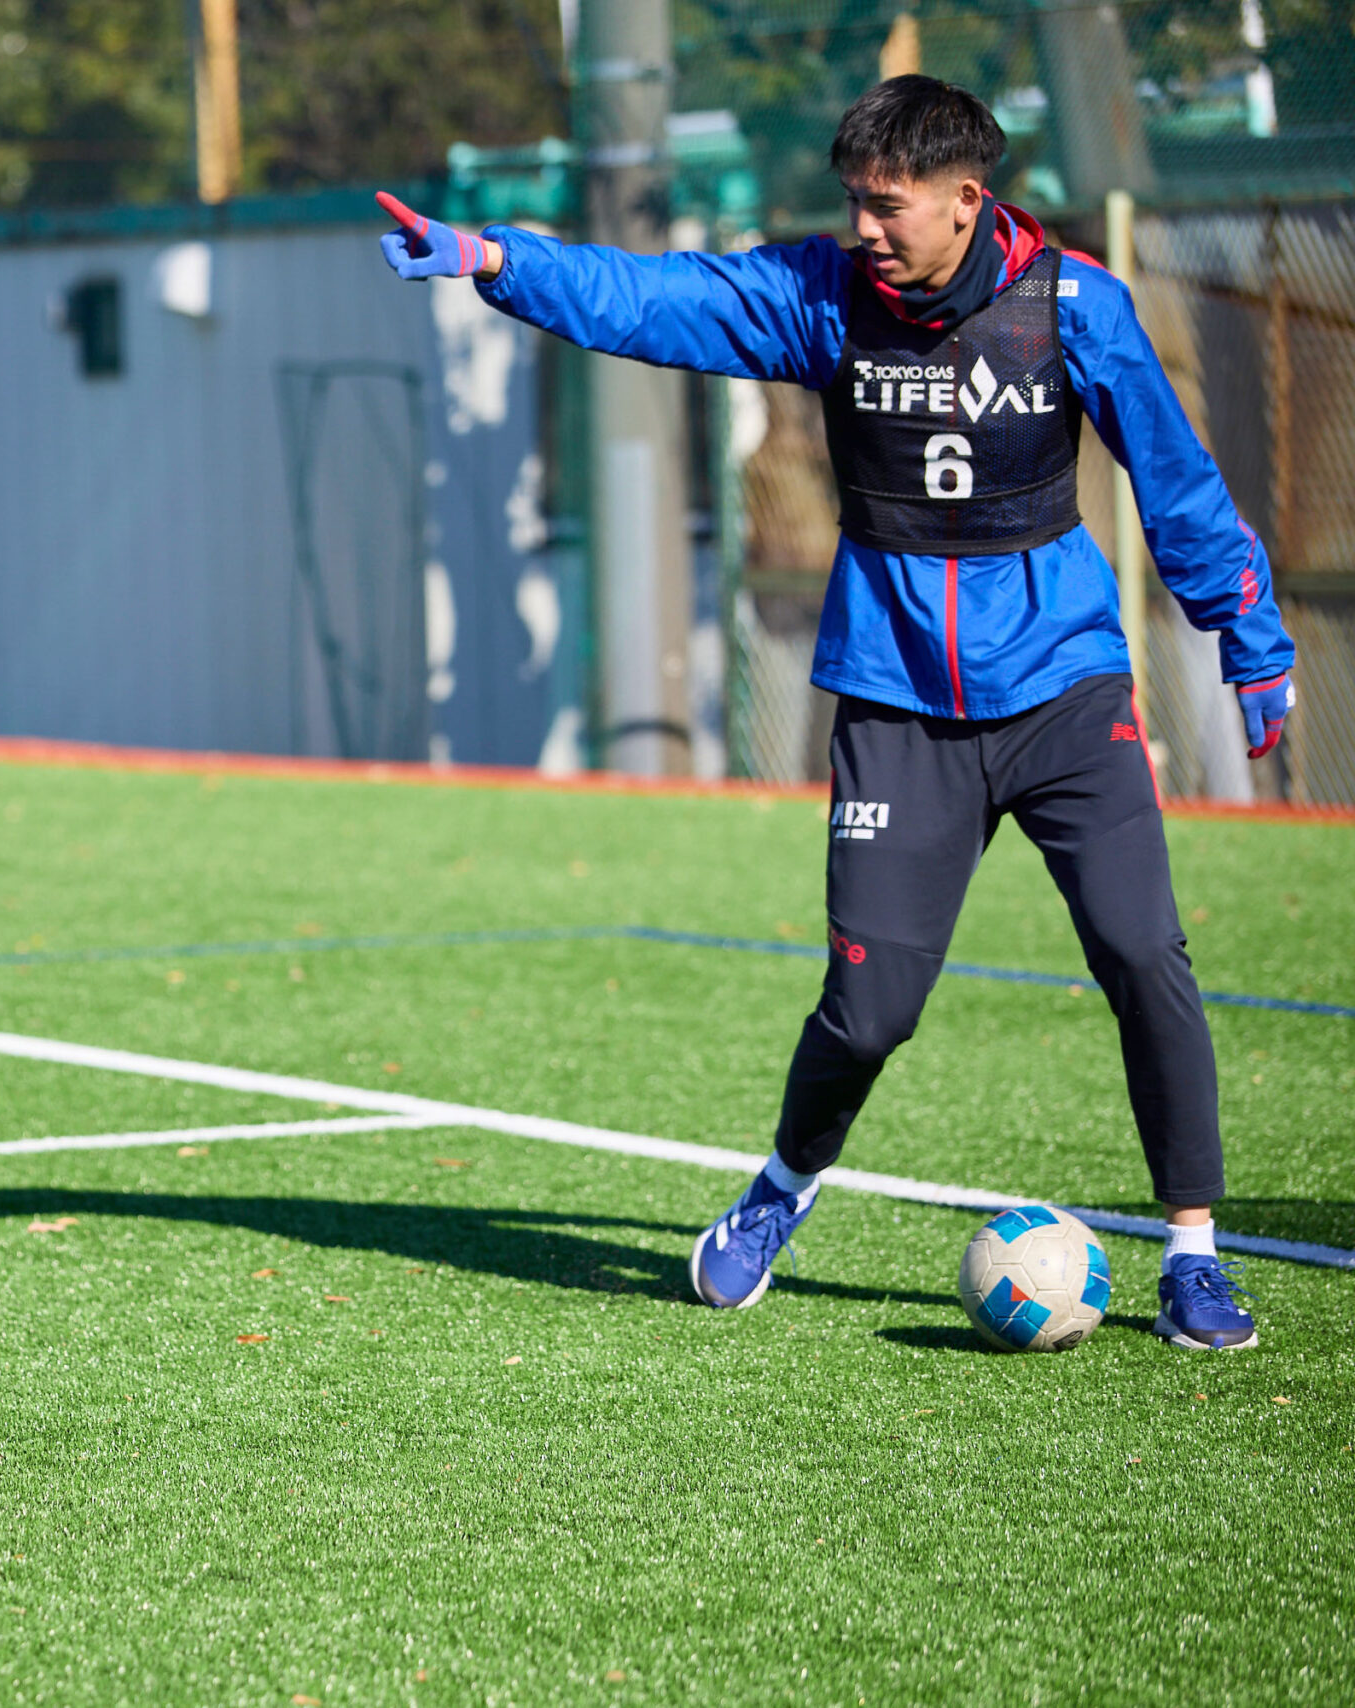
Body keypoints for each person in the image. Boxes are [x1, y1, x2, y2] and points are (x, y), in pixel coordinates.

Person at [378, 76, 1291, 1352]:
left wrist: (1247, 637)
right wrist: (495, 260)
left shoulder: (1076, 305)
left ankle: (1193, 1254)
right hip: (893, 705)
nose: (864, 226)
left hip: (1066, 693)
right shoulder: (820, 298)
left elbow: (1177, 481)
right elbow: (660, 299)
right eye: (854, 201)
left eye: (889, 204)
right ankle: (780, 1189)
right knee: (870, 1011)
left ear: (969, 200)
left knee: (1144, 953)